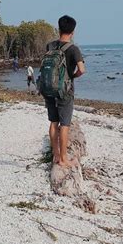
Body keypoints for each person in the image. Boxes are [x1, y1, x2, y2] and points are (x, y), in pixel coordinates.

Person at [40, 15, 85, 168]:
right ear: (73, 31)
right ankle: (64, 159)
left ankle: (56, 155)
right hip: (65, 91)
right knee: (64, 125)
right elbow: (82, 70)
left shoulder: (50, 46)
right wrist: (72, 76)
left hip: (48, 88)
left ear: (59, 29)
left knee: (53, 122)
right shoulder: (74, 49)